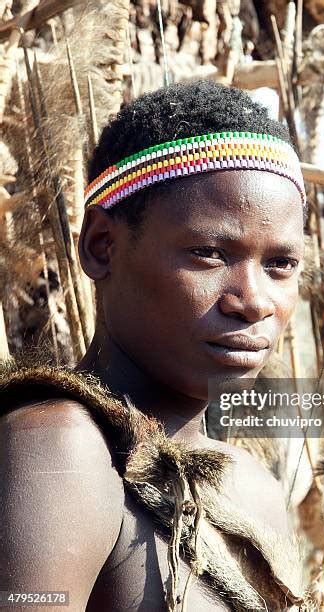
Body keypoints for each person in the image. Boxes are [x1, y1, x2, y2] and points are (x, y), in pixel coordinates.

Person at [0, 80, 308, 611]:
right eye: (210, 253)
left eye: (280, 264)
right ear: (102, 247)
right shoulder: (61, 449)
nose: (254, 301)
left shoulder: (250, 489)